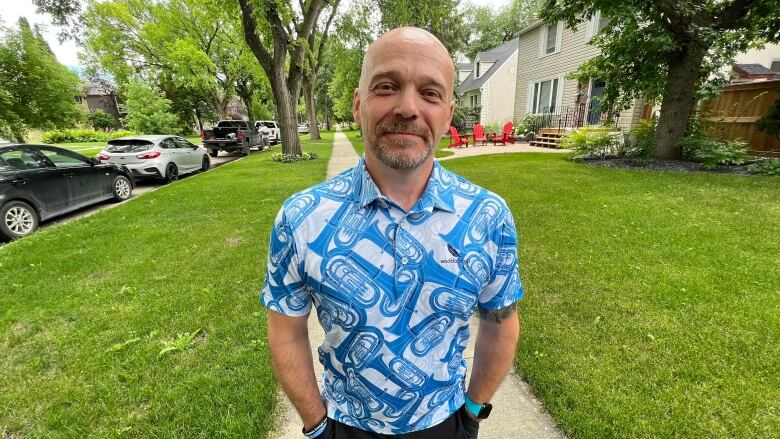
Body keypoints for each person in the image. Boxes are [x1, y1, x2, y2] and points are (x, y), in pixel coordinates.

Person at [261, 27, 523, 439]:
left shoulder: (488, 216)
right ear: (358, 103)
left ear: (449, 113)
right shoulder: (300, 218)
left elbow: (501, 323)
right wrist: (315, 426)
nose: (407, 107)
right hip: (344, 425)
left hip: (445, 422)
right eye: (387, 86)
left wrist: (472, 412)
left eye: (430, 93)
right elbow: (286, 330)